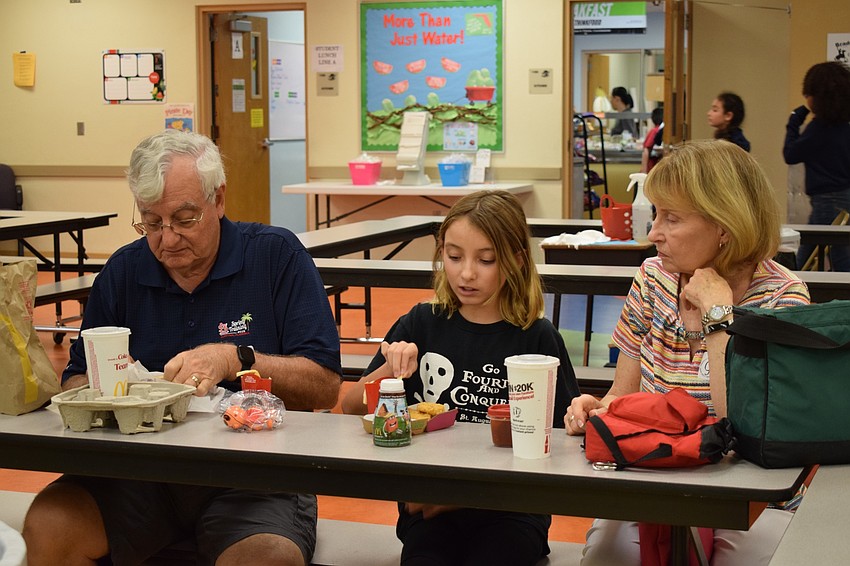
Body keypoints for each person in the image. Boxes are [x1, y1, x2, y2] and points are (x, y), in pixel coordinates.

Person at [22, 130, 342, 566]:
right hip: (135, 476)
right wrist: (109, 388)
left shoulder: (275, 256)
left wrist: (236, 357)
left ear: (219, 200)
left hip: (254, 480)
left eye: (185, 219)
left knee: (266, 558)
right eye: (152, 222)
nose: (167, 239)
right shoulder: (123, 272)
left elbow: (324, 386)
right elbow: (75, 379)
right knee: (48, 527)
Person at [566, 140, 810, 566]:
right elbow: (621, 397)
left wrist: (718, 318)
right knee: (608, 557)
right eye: (656, 214)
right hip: (658, 472)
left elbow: (750, 430)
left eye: (671, 218)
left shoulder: (783, 298)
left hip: (752, 491)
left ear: (724, 226)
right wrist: (598, 407)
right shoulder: (652, 278)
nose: (652, 232)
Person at [342, 190, 580, 566]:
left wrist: (469, 495)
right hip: (429, 508)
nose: (466, 273)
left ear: (517, 261)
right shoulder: (421, 323)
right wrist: (391, 369)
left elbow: (562, 444)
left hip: (512, 511)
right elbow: (350, 405)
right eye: (453, 257)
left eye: (485, 260)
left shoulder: (536, 337)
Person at [783, 61, 850, 271]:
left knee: (807, 256)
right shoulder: (845, 127)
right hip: (846, 198)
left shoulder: (819, 128)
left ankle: (793, 294)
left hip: (827, 202)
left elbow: (791, 154)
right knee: (841, 253)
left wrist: (794, 121)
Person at [640, 107, 664, 173]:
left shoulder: (655, 130)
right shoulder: (656, 131)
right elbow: (646, 150)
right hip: (651, 167)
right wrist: (644, 171)